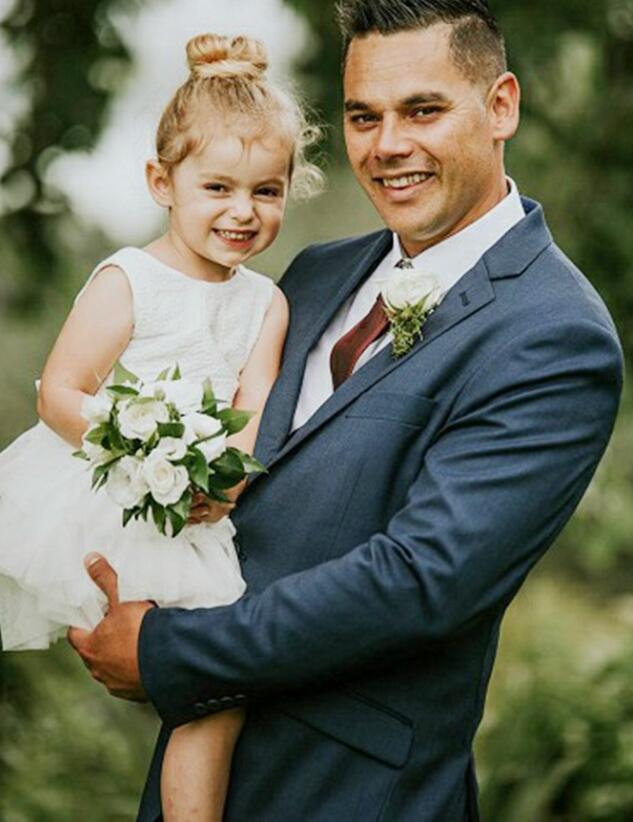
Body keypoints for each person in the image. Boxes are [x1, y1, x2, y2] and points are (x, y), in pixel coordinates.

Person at [68, 2, 623, 820]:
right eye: (364, 117)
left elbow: (420, 582)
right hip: (200, 769)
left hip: (356, 793)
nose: (387, 145)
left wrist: (167, 652)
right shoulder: (313, 275)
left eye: (422, 110)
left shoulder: (554, 333)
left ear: (500, 105)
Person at [0, 33, 322, 822]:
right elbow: (61, 393)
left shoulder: (266, 304)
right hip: (104, 494)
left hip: (194, 517)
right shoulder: (129, 280)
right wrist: (142, 454)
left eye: (267, 191)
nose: (243, 212)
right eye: (217, 187)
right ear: (161, 181)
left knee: (212, 691)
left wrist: (228, 476)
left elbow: (251, 414)